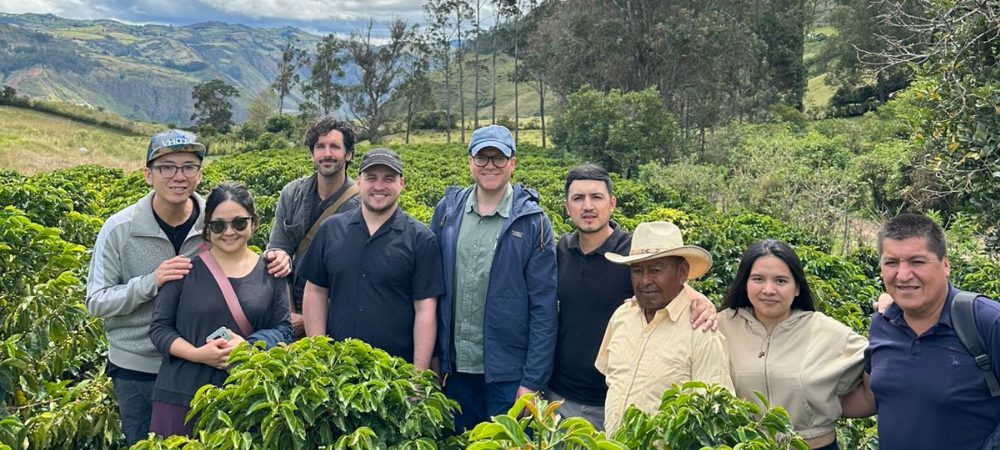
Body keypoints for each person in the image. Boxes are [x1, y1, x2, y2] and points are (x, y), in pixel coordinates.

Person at [85, 130, 289, 445]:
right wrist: (151, 282)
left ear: (200, 173)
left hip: (206, 369)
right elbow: (96, 301)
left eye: (188, 166)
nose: (178, 176)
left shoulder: (216, 217)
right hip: (139, 367)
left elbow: (242, 261)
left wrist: (275, 258)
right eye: (167, 167)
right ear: (148, 175)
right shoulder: (119, 230)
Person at [545, 164, 718, 431]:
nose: (587, 206)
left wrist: (704, 303)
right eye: (578, 198)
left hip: (611, 400)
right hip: (560, 395)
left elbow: (675, 286)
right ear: (567, 207)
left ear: (612, 204)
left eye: (597, 197)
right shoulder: (562, 249)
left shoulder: (632, 255)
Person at [430, 124, 557, 432]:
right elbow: (431, 292)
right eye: (482, 157)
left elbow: (544, 309)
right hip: (456, 370)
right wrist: (434, 356)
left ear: (512, 162)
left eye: (498, 158)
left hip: (509, 375)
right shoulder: (447, 213)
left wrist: (532, 381)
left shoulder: (534, 222)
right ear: (470, 162)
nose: (490, 166)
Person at [148, 182, 291, 437]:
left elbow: (283, 329)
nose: (229, 232)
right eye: (218, 225)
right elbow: (159, 329)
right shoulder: (183, 270)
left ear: (254, 223)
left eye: (239, 223)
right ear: (207, 229)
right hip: (181, 395)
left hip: (245, 399)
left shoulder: (271, 271)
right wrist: (197, 354)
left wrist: (249, 347)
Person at [716, 239, 872, 450]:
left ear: (797, 287)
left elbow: (877, 376)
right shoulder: (721, 326)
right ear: (745, 283)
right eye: (758, 279)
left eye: (781, 281)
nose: (769, 290)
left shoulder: (827, 331)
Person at [298, 148, 442, 370]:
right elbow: (316, 290)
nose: (379, 186)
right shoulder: (331, 230)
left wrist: (418, 375)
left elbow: (425, 310)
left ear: (401, 183)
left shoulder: (421, 239)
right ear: (358, 182)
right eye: (371, 178)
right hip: (338, 368)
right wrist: (319, 354)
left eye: (388, 179)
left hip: (396, 373)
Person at [865, 214, 1000, 449]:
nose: (903, 275)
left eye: (917, 262)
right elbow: (871, 396)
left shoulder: (986, 321)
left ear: (945, 264)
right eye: (891, 263)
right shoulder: (882, 323)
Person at [597, 221, 733, 435]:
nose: (644, 281)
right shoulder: (622, 316)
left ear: (682, 273)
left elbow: (715, 419)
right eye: (637, 271)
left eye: (656, 270)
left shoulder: (701, 331)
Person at [267, 117, 361, 339]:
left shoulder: (360, 205)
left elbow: (357, 280)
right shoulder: (291, 193)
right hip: (290, 308)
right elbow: (279, 252)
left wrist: (311, 319)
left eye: (335, 147)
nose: (327, 154)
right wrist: (289, 315)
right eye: (320, 147)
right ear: (312, 154)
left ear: (348, 155)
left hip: (337, 315)